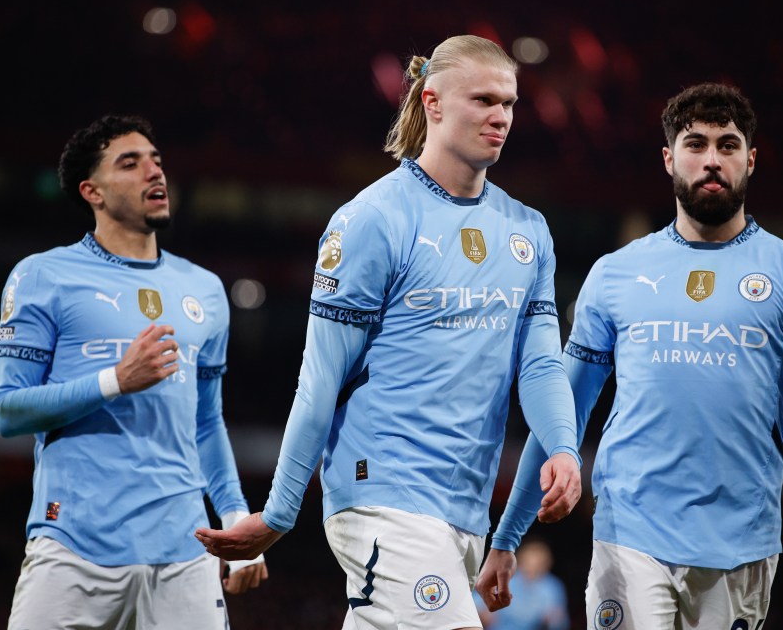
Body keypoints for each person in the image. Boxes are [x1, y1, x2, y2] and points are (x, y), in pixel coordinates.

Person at [194, 34, 583, 629]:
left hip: (466, 506)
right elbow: (320, 378)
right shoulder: (371, 220)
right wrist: (279, 513)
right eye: (483, 100)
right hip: (383, 490)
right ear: (432, 101)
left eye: (509, 103)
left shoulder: (527, 229)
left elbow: (540, 364)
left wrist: (560, 445)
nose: (501, 117)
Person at [476, 82, 783, 630]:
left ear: (751, 160)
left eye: (727, 146)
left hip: (741, 546)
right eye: (695, 143)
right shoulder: (614, 275)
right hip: (629, 536)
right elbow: (562, 415)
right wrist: (507, 536)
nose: (710, 159)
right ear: (668, 158)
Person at [0, 114, 267, 629]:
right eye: (131, 163)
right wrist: (114, 380)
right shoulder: (42, 275)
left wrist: (235, 519)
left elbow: (206, 423)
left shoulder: (204, 289)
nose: (154, 173)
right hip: (73, 545)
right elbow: (6, 410)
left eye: (157, 161)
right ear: (91, 190)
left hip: (185, 550)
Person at [473, 537, 570, 630]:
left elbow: (561, 622)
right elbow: (474, 603)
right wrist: (481, 612)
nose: (533, 567)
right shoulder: (500, 578)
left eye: (539, 563)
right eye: (530, 561)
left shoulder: (552, 586)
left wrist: (555, 620)